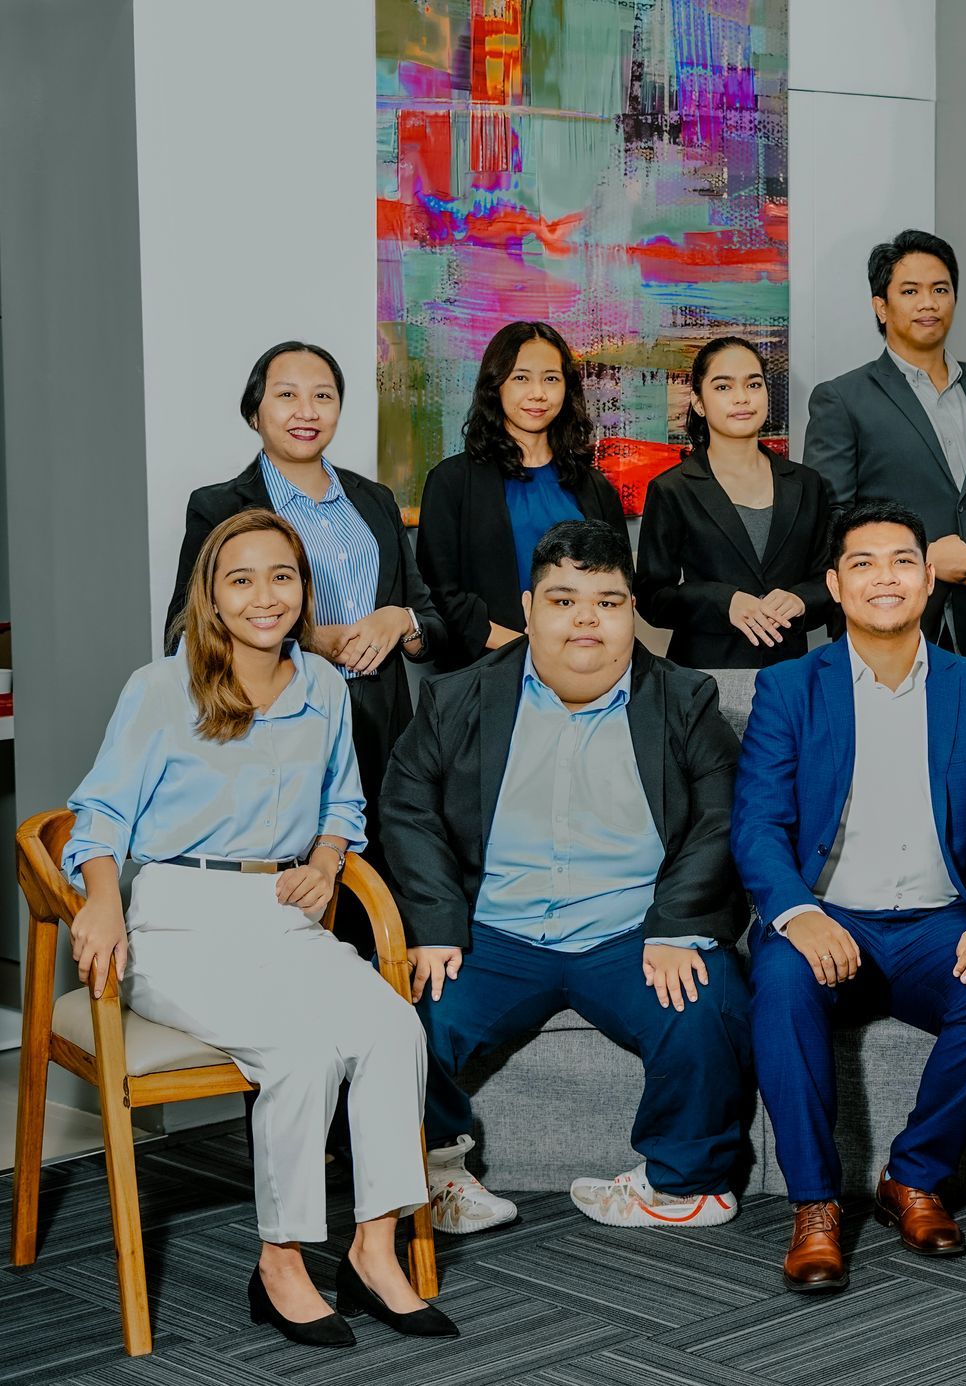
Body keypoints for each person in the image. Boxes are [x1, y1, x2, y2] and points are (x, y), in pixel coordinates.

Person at [67, 511, 453, 1347]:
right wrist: (100, 896)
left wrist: (324, 856)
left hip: (280, 913)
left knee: (392, 1027)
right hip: (176, 919)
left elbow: (344, 802)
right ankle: (280, 1262)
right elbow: (97, 815)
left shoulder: (322, 686)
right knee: (300, 1051)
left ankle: (373, 1250)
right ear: (209, 596)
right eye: (239, 579)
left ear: (304, 589)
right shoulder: (161, 688)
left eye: (282, 576)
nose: (264, 596)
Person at [381, 520, 753, 1236]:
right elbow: (406, 809)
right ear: (527, 608)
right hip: (493, 931)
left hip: (629, 932)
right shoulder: (458, 698)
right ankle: (434, 1173)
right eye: (563, 600)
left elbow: (721, 817)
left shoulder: (685, 698)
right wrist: (432, 925)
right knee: (399, 1008)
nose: (586, 619)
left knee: (707, 1003)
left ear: (631, 610)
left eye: (608, 602)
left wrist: (678, 924)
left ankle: (685, 1186)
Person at [732, 499, 966, 1294]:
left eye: (903, 561)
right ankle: (813, 1208)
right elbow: (758, 828)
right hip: (826, 915)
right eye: (864, 564)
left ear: (928, 579)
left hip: (939, 922)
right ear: (834, 586)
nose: (885, 578)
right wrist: (799, 914)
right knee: (776, 981)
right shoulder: (788, 687)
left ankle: (912, 1178)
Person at [165, 341, 445, 954]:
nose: (306, 409)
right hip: (277, 736)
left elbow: (431, 623)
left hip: (381, 736)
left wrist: (399, 621)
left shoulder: (372, 500)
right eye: (286, 394)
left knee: (380, 915)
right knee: (291, 922)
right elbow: (182, 632)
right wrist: (304, 637)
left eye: (323, 395)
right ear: (254, 411)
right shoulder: (219, 507)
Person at [800, 229, 966, 670]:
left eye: (941, 289)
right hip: (887, 622)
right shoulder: (842, 399)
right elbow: (831, 522)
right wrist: (922, 558)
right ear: (881, 305)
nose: (928, 303)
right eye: (910, 291)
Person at [415, 320, 628, 671]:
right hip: (486, 668)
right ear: (495, 385)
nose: (538, 393)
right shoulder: (451, 481)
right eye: (521, 378)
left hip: (585, 668)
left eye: (551, 379)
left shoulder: (595, 487)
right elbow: (438, 593)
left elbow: (616, 590)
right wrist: (527, 649)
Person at [635, 336, 832, 667]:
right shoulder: (672, 489)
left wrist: (801, 599)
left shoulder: (806, 484)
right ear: (699, 402)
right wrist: (723, 601)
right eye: (723, 387)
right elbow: (653, 598)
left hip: (791, 674)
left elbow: (830, 580)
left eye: (753, 384)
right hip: (704, 678)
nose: (742, 398)